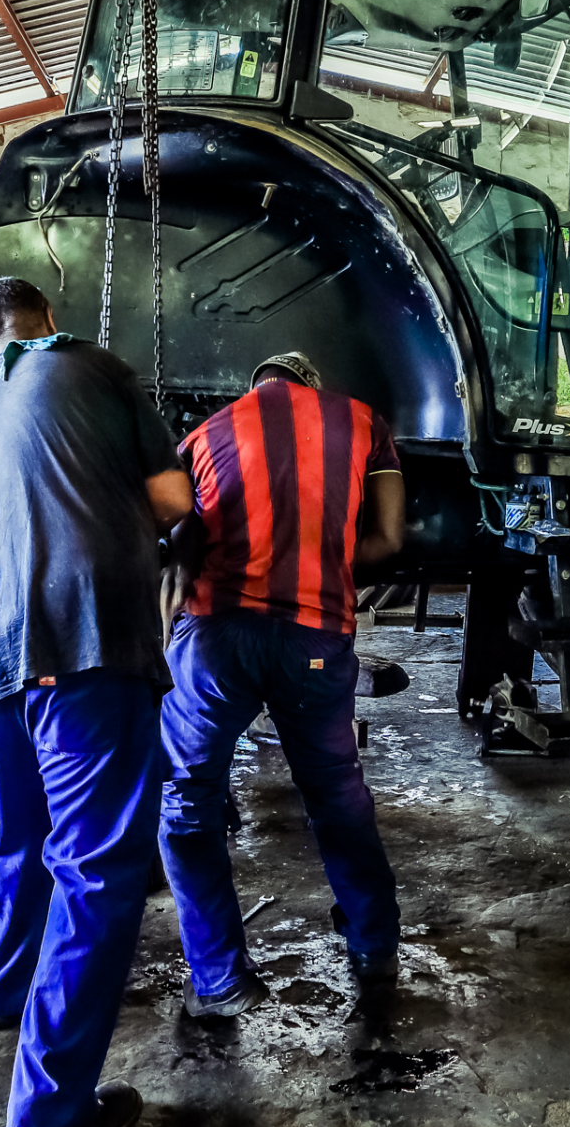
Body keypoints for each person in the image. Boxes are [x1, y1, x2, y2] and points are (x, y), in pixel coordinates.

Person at [0, 276, 193, 1127]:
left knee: (23, 830)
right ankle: (47, 1122)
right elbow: (171, 505)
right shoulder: (93, 367)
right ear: (47, 321)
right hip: (81, 636)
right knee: (100, 869)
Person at [157, 349, 406, 1021]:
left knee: (188, 799)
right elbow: (388, 538)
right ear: (311, 384)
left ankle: (219, 979)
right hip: (315, 638)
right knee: (335, 791)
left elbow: (178, 541)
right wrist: (320, 559)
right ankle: (374, 944)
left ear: (257, 384)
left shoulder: (205, 433)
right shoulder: (361, 422)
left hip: (215, 641)